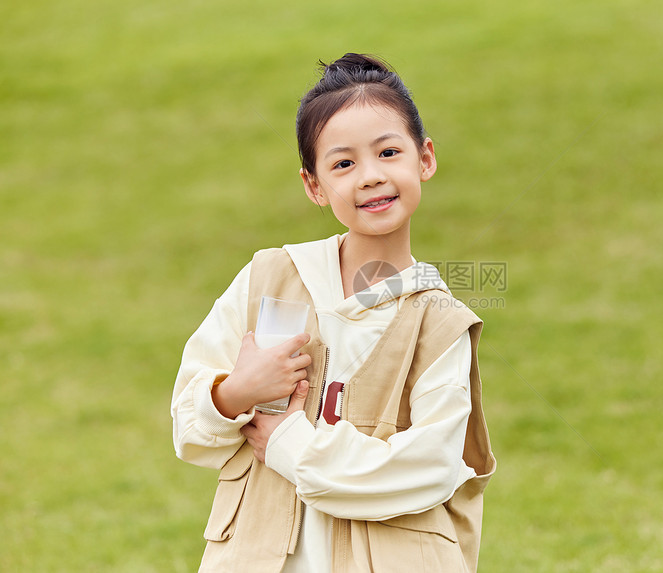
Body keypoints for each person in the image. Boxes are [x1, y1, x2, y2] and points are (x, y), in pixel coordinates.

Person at [171, 53, 495, 573]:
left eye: (388, 152)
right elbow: (188, 429)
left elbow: (430, 468)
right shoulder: (269, 275)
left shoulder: (441, 321)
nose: (370, 176)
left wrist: (290, 444)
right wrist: (234, 393)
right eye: (343, 163)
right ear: (314, 186)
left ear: (425, 159)